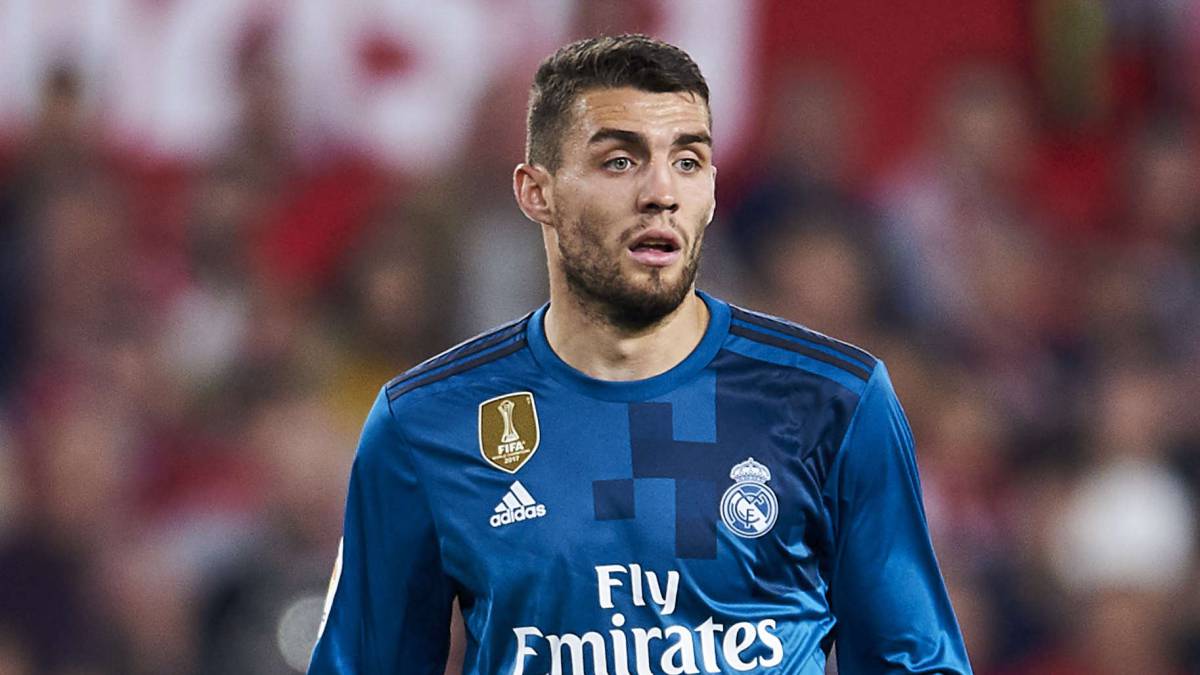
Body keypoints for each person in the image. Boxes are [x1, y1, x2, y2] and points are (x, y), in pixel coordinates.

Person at [308, 34, 971, 675]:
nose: (661, 193)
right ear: (537, 192)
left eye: (687, 161)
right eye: (619, 161)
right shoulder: (425, 422)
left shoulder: (836, 402)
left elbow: (914, 662)